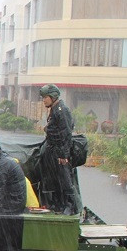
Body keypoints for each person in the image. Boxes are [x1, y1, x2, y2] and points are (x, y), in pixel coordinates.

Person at [39, 84, 76, 214]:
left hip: (59, 151)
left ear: (53, 97)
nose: (44, 100)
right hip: (52, 150)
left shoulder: (61, 110)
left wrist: (63, 155)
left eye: (45, 97)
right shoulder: (54, 109)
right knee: (54, 180)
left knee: (64, 179)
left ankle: (69, 206)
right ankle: (57, 204)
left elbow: (66, 133)